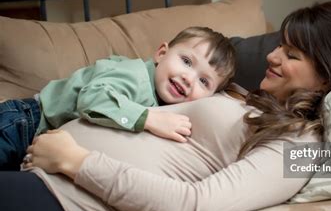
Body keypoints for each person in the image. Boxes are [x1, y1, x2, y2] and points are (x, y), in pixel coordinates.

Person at [0, 1, 331, 211]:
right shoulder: (245, 95)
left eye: (292, 55)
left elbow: (194, 206)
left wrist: (77, 161)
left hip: (67, 209)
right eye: (280, 46)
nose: (272, 56)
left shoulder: (301, 145)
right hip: (41, 175)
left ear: (326, 79)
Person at [0, 27, 236, 170]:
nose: (188, 78)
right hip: (23, 122)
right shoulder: (135, 76)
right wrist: (147, 119)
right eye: (186, 61)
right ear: (161, 53)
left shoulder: (168, 105)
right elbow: (91, 99)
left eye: (204, 81)